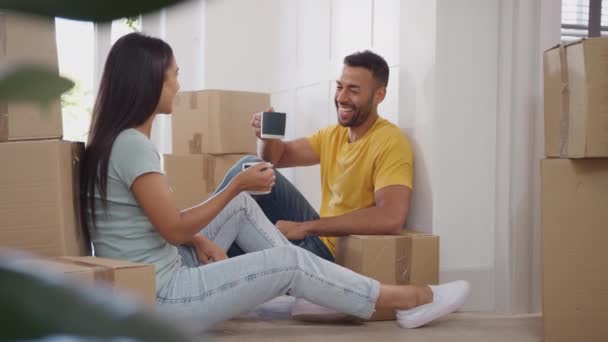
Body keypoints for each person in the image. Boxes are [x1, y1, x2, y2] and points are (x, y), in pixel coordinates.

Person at [80, 32, 470, 331]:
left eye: (353, 89)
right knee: (282, 254)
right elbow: (172, 225)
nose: (178, 85)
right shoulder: (132, 145)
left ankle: (295, 281)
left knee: (248, 212)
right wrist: (239, 181)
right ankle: (410, 297)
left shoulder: (120, 139)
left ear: (379, 95)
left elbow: (165, 224)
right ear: (149, 82)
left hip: (159, 275)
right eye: (173, 77)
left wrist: (201, 235)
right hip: (164, 295)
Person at [216, 50, 413, 262]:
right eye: (339, 87)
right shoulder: (333, 134)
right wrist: (266, 138)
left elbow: (391, 218)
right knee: (250, 166)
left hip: (334, 250)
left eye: (353, 90)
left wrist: (305, 228)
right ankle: (198, 241)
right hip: (319, 233)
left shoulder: (390, 141)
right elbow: (277, 158)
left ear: (379, 95)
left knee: (239, 247)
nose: (341, 97)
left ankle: (194, 250)